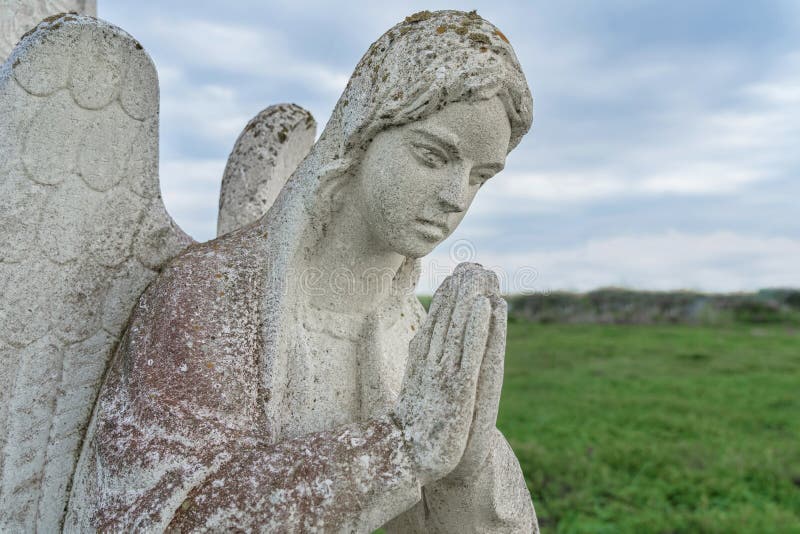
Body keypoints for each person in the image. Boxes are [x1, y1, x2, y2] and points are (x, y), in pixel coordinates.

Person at [66, 10, 536, 532]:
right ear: (362, 136)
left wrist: (468, 473)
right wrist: (397, 451)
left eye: (480, 176)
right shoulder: (210, 297)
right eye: (432, 155)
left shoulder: (413, 335)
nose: (456, 197)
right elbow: (140, 520)